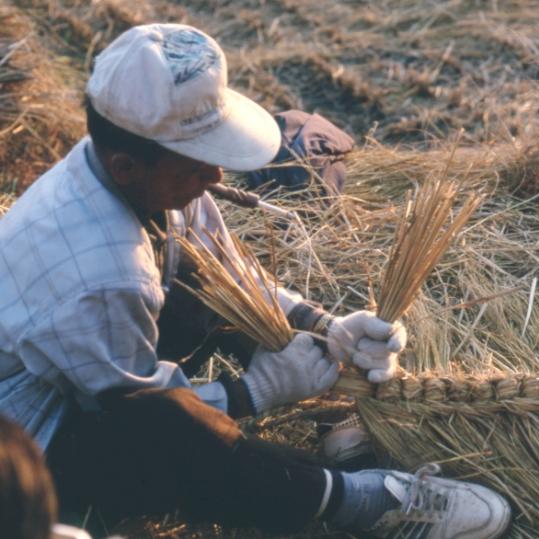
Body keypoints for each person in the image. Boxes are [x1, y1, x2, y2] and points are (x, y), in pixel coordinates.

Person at [0, 23, 511, 538]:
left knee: (206, 282)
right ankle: (354, 502)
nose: (217, 179)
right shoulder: (100, 273)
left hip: (86, 368)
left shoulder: (131, 172)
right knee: (177, 438)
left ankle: (330, 414)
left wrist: (326, 326)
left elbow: (229, 274)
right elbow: (136, 410)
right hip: (30, 442)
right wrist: (257, 392)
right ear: (128, 165)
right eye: (198, 165)